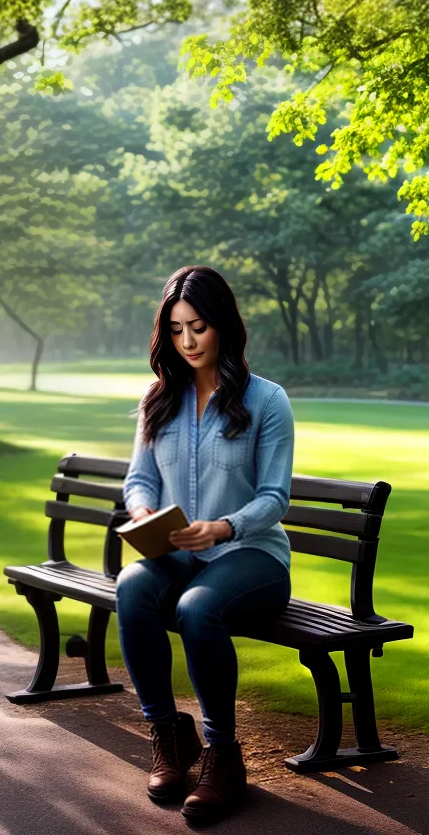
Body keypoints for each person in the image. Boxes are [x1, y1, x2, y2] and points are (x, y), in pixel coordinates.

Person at [118, 265, 294, 823]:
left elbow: (274, 497)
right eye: (176, 329)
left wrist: (222, 527)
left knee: (197, 608)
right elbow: (139, 478)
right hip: (178, 552)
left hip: (252, 556)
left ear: (223, 325)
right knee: (131, 587)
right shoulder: (159, 398)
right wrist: (143, 510)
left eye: (198, 326)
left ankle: (224, 755)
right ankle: (169, 737)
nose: (188, 341)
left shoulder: (267, 401)